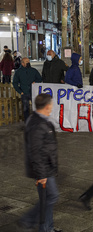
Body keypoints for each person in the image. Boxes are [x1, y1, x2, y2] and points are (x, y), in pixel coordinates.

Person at [18, 94, 62, 232]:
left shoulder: (40, 120)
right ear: (47, 106)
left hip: (46, 167)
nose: (52, 107)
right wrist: (41, 174)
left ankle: (47, 228)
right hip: (43, 169)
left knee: (47, 198)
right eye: (51, 105)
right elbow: (35, 152)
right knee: (51, 196)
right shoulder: (37, 124)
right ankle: (28, 219)